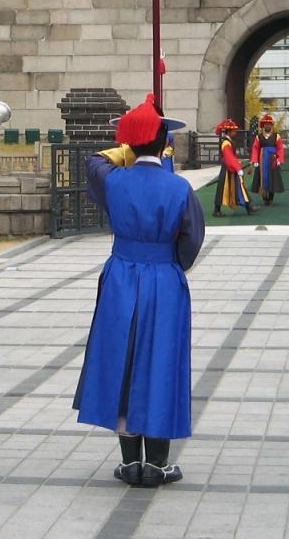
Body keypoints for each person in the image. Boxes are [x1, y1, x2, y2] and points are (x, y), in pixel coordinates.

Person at [74, 96, 205, 487]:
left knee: (123, 360)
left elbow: (94, 161)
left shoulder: (115, 181)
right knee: (161, 361)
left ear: (129, 144)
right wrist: (171, 262)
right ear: (165, 142)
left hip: (120, 276)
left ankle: (130, 461)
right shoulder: (179, 187)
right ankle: (158, 463)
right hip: (164, 277)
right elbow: (192, 239)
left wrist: (126, 148)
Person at [212, 119, 256, 218]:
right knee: (222, 189)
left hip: (230, 168)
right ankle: (217, 210)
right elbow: (229, 157)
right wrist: (237, 168)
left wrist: (237, 165)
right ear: (229, 132)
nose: (235, 133)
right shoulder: (226, 143)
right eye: (234, 131)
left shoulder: (228, 141)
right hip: (227, 169)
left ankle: (248, 207)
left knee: (239, 187)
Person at [250, 114, 286, 206]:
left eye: (269, 124)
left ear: (271, 125)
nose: (267, 126)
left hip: (272, 160)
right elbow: (255, 149)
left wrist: (279, 159)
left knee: (272, 178)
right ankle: (264, 197)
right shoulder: (259, 137)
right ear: (263, 125)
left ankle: (270, 197)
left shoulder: (276, 136)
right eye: (266, 124)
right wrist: (255, 160)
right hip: (262, 160)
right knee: (262, 178)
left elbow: (280, 148)